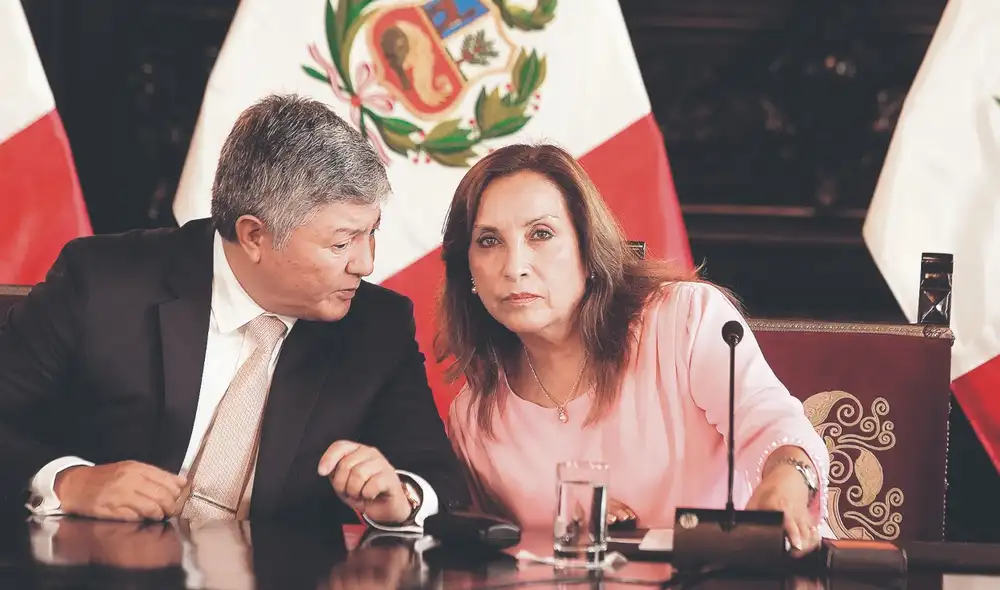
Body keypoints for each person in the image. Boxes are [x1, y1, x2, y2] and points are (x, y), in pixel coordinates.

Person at [0, 94, 469, 528]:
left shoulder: (375, 327)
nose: (366, 264)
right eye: (342, 242)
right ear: (253, 235)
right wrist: (68, 482)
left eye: (372, 232)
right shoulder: (104, 283)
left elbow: (439, 481)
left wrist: (402, 495)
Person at [437, 144, 831, 555]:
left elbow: (773, 423)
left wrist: (786, 479)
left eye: (541, 234)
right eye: (489, 241)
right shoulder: (474, 417)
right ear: (467, 271)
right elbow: (494, 560)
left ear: (588, 249)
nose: (514, 266)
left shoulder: (684, 320)